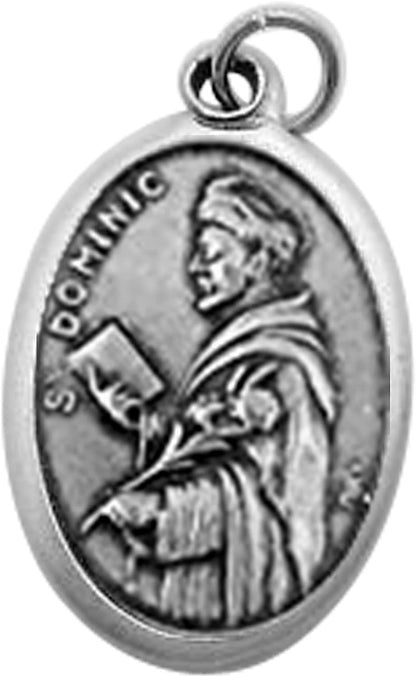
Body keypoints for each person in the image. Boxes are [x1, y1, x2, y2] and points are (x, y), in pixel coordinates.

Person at [82, 170, 337, 628]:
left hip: (234, 585)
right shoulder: (241, 343)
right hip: (198, 581)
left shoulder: (284, 365)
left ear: (258, 261)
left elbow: (279, 502)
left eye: (212, 255)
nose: (194, 268)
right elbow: (209, 445)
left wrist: (165, 513)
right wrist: (137, 416)